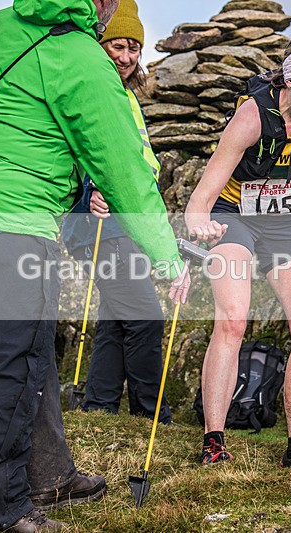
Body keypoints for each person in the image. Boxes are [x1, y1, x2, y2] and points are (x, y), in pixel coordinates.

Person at [0, 0, 189, 530]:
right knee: (10, 368)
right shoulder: (80, 57)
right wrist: (165, 255)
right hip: (15, 220)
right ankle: (2, 511)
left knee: (31, 355)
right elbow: (122, 169)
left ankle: (51, 473)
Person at [185, 32, 291, 468]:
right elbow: (200, 199)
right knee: (232, 320)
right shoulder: (252, 116)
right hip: (234, 213)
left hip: (288, 221)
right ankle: (214, 440)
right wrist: (198, 226)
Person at [61, 0, 172, 425]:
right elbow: (73, 151)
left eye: (134, 48)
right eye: (117, 46)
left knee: (116, 317)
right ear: (99, 44)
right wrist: (85, 195)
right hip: (101, 227)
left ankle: (99, 406)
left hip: (126, 223)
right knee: (145, 316)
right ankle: (150, 414)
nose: (126, 57)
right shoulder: (91, 87)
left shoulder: (123, 95)